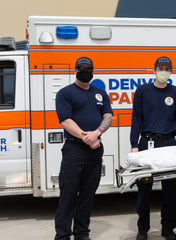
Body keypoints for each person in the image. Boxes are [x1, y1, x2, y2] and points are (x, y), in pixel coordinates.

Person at [54, 56, 113, 240]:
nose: (85, 71)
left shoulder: (100, 93)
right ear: (75, 70)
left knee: (88, 193)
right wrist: (87, 137)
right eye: (82, 68)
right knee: (69, 193)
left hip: (95, 149)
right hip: (74, 149)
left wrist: (97, 133)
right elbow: (65, 120)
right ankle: (63, 235)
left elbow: (108, 116)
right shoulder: (65, 93)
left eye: (89, 68)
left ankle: (81, 233)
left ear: (93, 70)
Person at [130, 56, 176, 240]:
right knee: (144, 189)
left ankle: (168, 228)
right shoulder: (142, 91)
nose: (163, 71)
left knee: (170, 189)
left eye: (167, 68)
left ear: (171, 71)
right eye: (160, 68)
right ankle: (143, 229)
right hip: (147, 144)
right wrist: (134, 145)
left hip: (169, 144)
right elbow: (136, 119)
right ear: (154, 70)